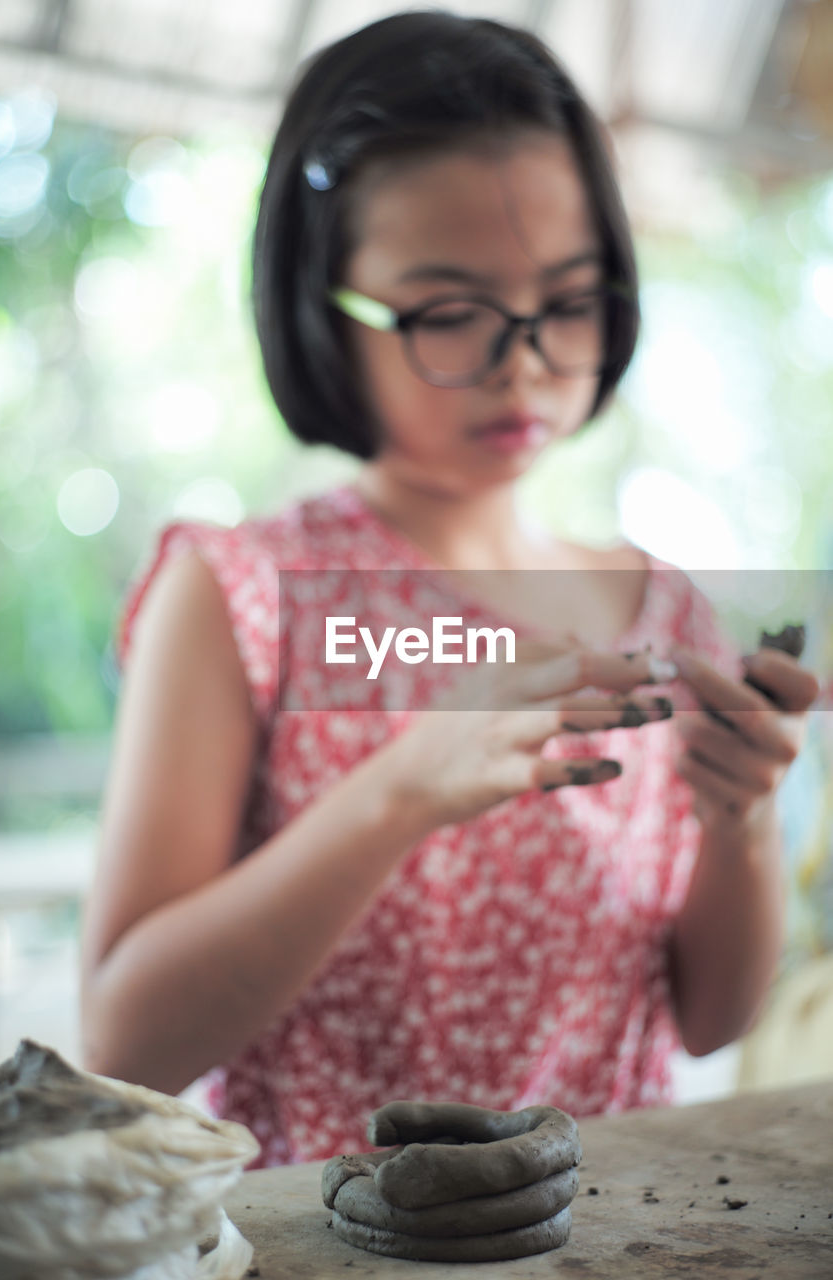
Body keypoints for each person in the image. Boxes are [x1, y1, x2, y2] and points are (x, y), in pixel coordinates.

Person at [79, 11, 819, 1167]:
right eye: (449, 312)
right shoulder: (240, 594)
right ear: (323, 300)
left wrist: (737, 820)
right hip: (326, 1241)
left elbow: (709, 1015)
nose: (520, 361)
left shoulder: (664, 610)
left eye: (566, 304)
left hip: (616, 1234)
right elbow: (125, 1042)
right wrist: (401, 790)